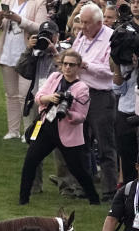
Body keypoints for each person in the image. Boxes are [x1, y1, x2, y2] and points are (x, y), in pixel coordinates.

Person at [18, 50, 100, 205]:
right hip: (46, 128)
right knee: (30, 161)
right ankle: (23, 199)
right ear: (61, 65)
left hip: (67, 134)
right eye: (65, 64)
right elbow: (38, 97)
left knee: (77, 169)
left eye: (71, 65)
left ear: (78, 67)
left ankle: (93, 198)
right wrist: (50, 98)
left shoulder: (82, 88)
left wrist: (67, 112)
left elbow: (81, 116)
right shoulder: (54, 77)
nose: (67, 68)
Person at [69, 3, 118, 199]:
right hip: (79, 93)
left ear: (99, 23)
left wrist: (86, 65)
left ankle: (109, 189)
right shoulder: (81, 36)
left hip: (100, 96)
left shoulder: (110, 38)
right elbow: (72, 55)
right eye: (82, 22)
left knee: (105, 144)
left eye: (88, 23)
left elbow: (110, 71)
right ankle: (85, 186)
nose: (83, 26)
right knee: (81, 144)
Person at [0, 0, 48, 139]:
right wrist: (0, 18)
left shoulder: (39, 2)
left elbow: (40, 26)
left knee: (26, 95)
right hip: (7, 51)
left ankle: (28, 131)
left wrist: (19, 20)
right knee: (11, 95)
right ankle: (13, 130)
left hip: (26, 54)